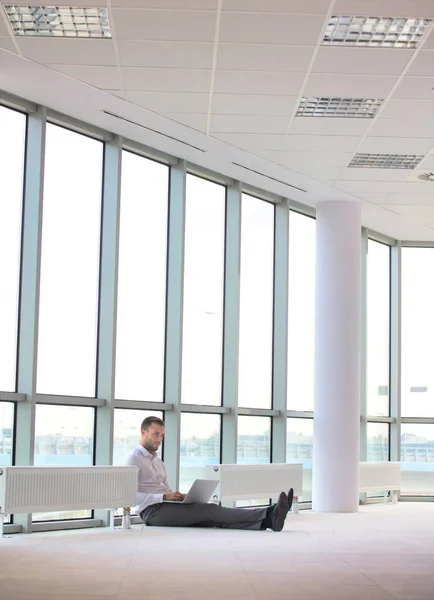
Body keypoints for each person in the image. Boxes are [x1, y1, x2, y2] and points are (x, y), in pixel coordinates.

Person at [126, 415, 293, 531]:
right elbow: (130, 497)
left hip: (165, 506)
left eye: (162, 435)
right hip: (151, 512)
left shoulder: (158, 461)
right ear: (143, 432)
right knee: (211, 510)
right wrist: (163, 497)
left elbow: (166, 490)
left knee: (211, 518)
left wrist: (178, 497)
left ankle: (269, 522)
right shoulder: (134, 459)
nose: (160, 439)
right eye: (156, 434)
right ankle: (270, 512)